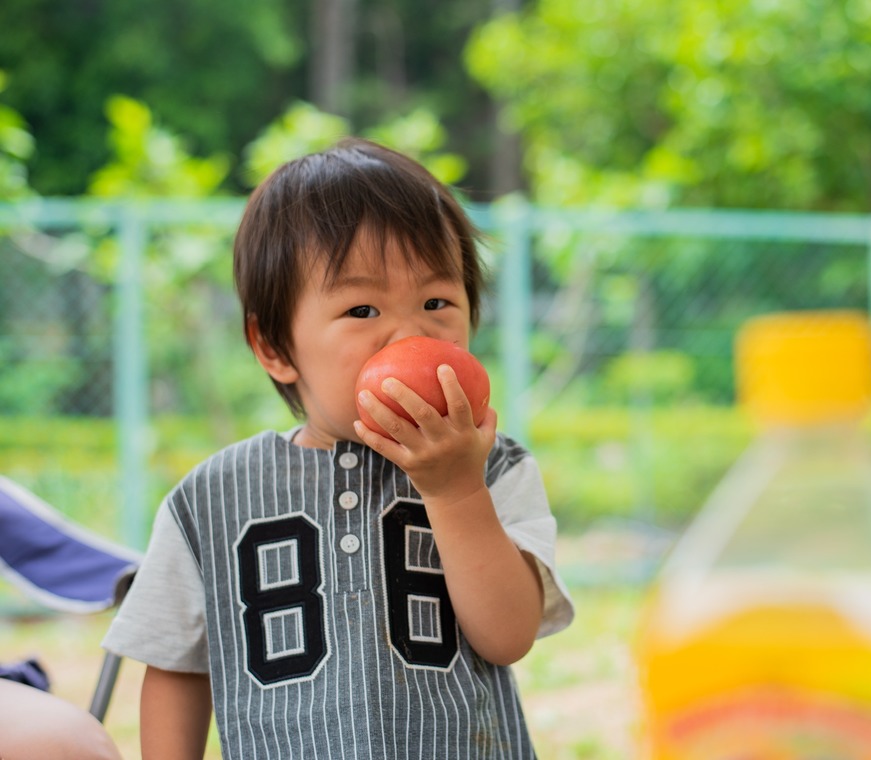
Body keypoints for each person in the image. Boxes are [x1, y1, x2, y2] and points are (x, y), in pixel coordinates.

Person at [102, 137, 575, 759]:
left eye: (438, 302)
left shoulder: (495, 465)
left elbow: (509, 635)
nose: (410, 332)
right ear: (273, 346)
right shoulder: (208, 501)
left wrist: (456, 490)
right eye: (361, 308)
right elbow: (176, 666)